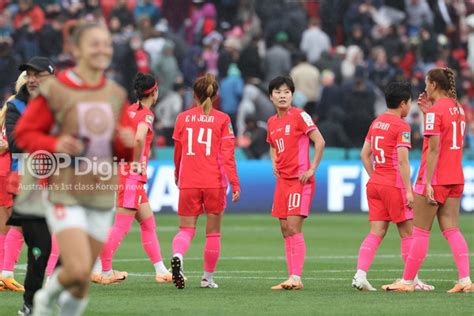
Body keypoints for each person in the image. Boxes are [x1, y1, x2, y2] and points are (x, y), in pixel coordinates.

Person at [14, 23, 134, 315]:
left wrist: (127, 144)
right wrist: (56, 142)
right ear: (77, 49)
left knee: (80, 278)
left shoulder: (115, 94)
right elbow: (25, 134)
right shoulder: (56, 89)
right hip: (65, 190)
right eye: (95, 43)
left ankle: (46, 298)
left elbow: (125, 151)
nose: (102, 49)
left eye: (106, 44)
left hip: (102, 193)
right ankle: (40, 302)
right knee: (78, 267)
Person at [383, 68, 471, 293]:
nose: (424, 87)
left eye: (426, 83)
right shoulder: (459, 109)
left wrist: (428, 182)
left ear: (433, 85)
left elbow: (433, 150)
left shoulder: (435, 112)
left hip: (435, 178)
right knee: (452, 229)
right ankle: (465, 280)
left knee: (420, 231)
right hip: (455, 176)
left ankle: (407, 281)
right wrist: (426, 113)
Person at [352, 81, 433, 292]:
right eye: (410, 103)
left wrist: (375, 176)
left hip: (376, 183)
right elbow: (403, 161)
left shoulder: (376, 122)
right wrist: (408, 190)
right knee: (408, 233)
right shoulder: (401, 126)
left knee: (376, 232)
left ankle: (360, 275)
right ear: (404, 103)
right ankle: (411, 279)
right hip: (394, 184)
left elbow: (364, 154)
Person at [94, 72, 172, 284]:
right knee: (121, 226)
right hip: (132, 177)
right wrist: (135, 162)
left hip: (125, 175)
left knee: (148, 224)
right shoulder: (146, 114)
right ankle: (103, 270)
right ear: (154, 92)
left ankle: (161, 270)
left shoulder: (126, 111)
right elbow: (138, 138)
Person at [171, 73, 240, 289]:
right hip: (214, 182)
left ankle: (178, 255)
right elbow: (228, 156)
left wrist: (176, 173)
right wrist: (235, 183)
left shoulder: (182, 118)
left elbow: (178, 152)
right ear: (216, 95)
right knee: (213, 232)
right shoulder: (223, 119)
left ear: (194, 94)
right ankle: (207, 278)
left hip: (189, 180)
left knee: (186, 229)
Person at [266, 76, 325, 290]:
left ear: (292, 95)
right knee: (284, 229)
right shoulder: (272, 122)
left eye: (286, 92)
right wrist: (274, 161)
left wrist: (311, 169)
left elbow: (319, 141)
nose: (282, 95)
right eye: (278, 92)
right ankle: (292, 277)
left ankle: (296, 277)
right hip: (282, 181)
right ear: (270, 96)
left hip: (299, 181)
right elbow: (273, 145)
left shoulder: (300, 116)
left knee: (293, 227)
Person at [0, 72, 28, 293]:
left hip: (3, 168)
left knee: (4, 225)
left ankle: (3, 275)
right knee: (17, 223)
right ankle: (6, 272)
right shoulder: (18, 105)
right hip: (10, 168)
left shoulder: (8, 104)